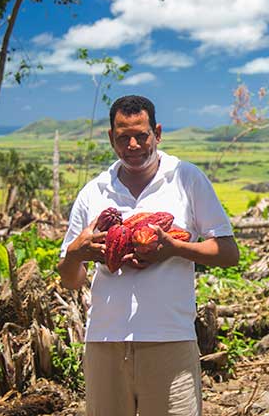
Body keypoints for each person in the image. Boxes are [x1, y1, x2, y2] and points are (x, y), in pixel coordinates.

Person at [57, 95, 239, 416]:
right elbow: (71, 280)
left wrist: (173, 248)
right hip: (105, 341)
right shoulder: (94, 192)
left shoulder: (186, 178)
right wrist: (76, 253)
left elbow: (228, 253)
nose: (133, 145)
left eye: (141, 135)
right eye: (123, 136)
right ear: (111, 137)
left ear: (157, 132)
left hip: (170, 339)